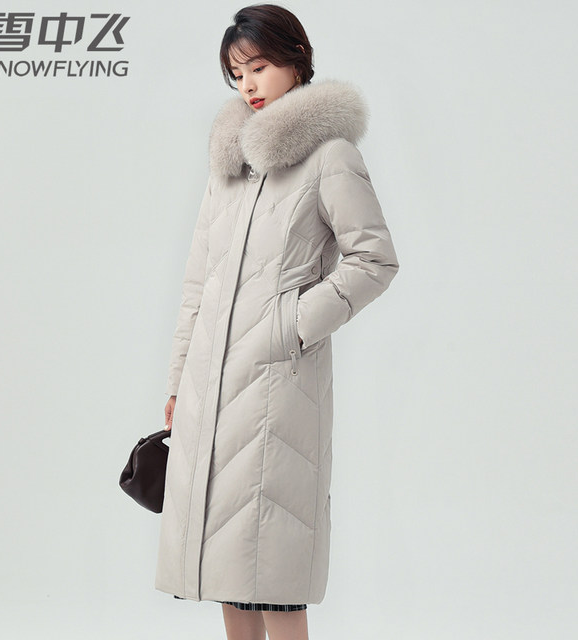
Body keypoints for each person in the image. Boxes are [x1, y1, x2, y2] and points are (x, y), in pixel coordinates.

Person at [155, 4, 399, 639]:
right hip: (210, 385)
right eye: (236, 74)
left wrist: (290, 324)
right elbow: (198, 281)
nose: (248, 85)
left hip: (277, 390)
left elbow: (374, 259)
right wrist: (179, 380)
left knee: (275, 574)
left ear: (296, 60)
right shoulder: (231, 162)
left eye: (258, 67)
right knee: (226, 569)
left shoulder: (330, 155)